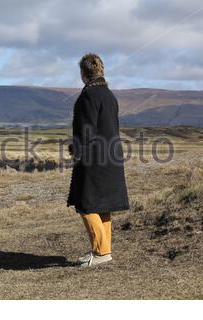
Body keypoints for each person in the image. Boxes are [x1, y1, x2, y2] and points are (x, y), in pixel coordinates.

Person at [67, 53, 130, 268]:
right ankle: (103, 250)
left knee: (86, 204)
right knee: (103, 206)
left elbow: (87, 130)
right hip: (111, 156)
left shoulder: (89, 96)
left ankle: (102, 252)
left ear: (83, 73)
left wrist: (75, 149)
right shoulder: (109, 95)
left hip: (93, 159)